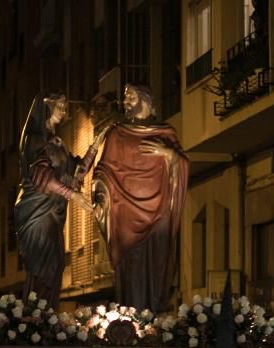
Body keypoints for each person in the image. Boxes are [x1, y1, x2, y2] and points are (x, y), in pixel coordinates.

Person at [76, 83, 189, 313]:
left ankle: (155, 318)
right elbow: (103, 171)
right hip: (125, 217)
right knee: (132, 269)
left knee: (156, 267)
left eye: (131, 97)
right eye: (125, 98)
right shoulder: (118, 133)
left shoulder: (165, 133)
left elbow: (183, 164)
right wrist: (101, 200)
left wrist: (169, 155)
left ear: (146, 100)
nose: (125, 101)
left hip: (159, 215)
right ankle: (131, 318)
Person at [13, 93, 85, 309]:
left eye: (65, 106)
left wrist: (93, 149)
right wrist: (73, 195)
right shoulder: (35, 140)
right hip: (37, 212)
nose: (64, 111)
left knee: (56, 266)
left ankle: (46, 318)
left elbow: (73, 173)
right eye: (60, 107)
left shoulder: (57, 143)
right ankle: (36, 321)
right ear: (46, 109)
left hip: (53, 213)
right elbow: (41, 177)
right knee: (43, 267)